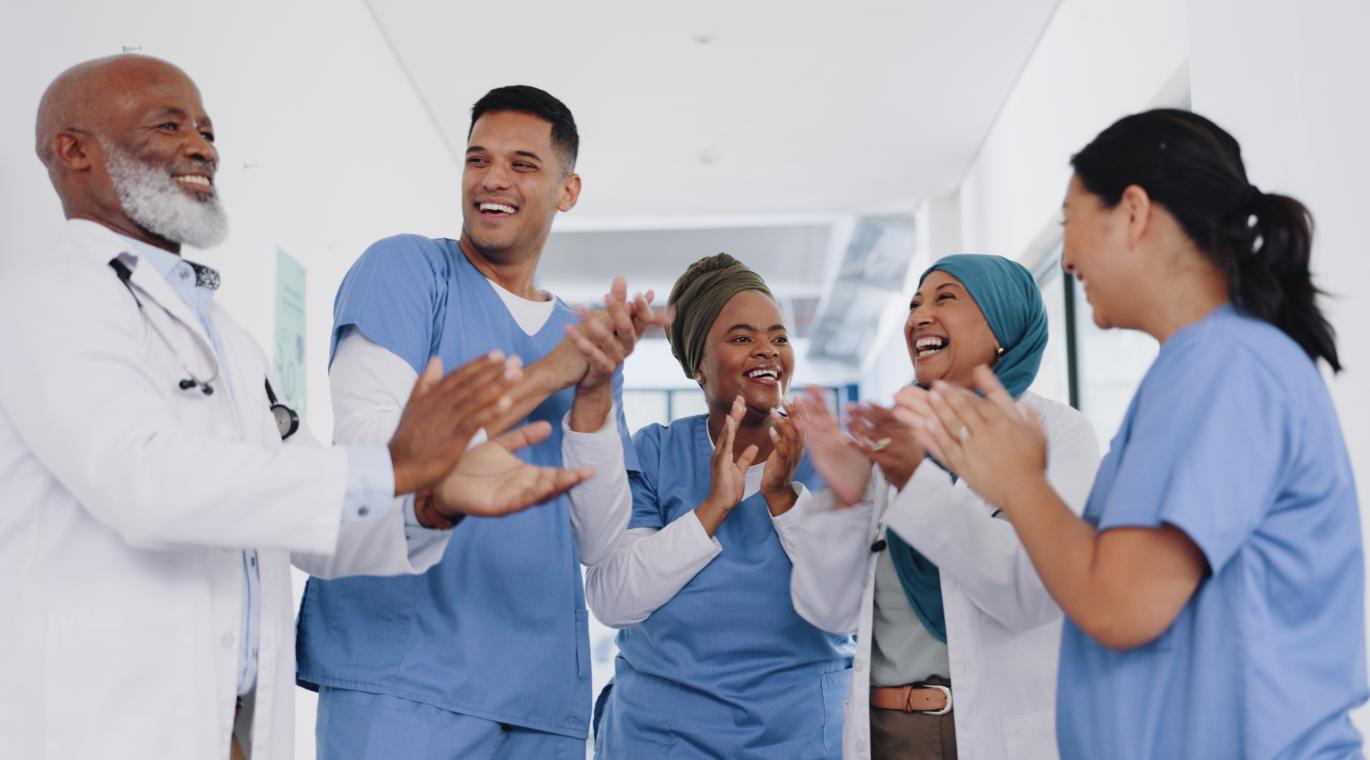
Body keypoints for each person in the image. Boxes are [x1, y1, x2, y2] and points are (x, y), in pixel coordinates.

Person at [0, 55, 591, 760]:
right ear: (74, 151)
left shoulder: (230, 344)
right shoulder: (49, 304)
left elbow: (320, 532)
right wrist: (394, 467)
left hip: (229, 727)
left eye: (207, 130)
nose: (202, 147)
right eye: (170, 125)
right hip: (102, 724)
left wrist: (431, 503)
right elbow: (147, 485)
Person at [906, 109, 1366, 758]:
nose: (1065, 258)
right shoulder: (1199, 368)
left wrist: (1018, 481)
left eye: (1071, 225)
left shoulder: (1225, 366)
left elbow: (1119, 604)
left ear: (1133, 211)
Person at [296, 85, 659, 758]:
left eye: (523, 163)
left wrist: (594, 391)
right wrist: (553, 373)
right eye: (477, 159)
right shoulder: (407, 271)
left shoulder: (585, 338)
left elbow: (598, 542)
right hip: (403, 680)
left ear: (567, 190)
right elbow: (374, 455)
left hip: (541, 695)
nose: (494, 178)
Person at [781, 254, 1099, 760]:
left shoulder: (1058, 434)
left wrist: (915, 481)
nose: (918, 316)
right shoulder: (894, 437)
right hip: (885, 734)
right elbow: (830, 612)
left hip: (995, 734)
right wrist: (842, 504)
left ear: (1002, 324)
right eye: (914, 303)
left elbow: (1035, 595)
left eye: (945, 298)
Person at [566, 253, 853, 758]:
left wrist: (784, 500)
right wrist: (712, 509)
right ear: (698, 362)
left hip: (804, 737)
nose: (767, 350)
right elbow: (612, 599)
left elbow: (851, 606)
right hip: (664, 740)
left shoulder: (832, 456)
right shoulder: (655, 454)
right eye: (742, 338)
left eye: (779, 337)